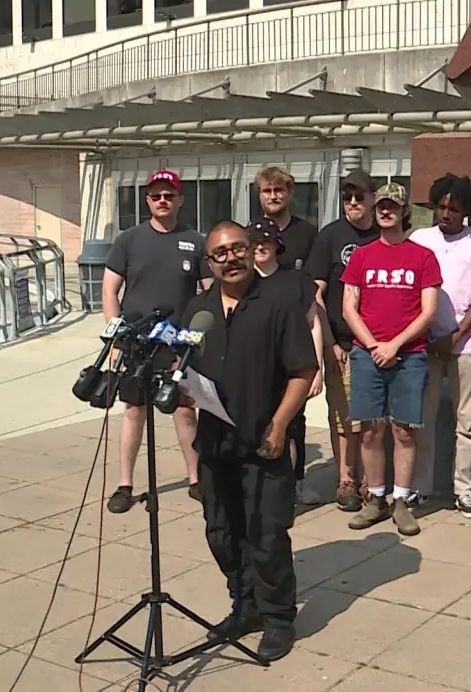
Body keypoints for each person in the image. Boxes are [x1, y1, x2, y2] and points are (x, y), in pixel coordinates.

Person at [188, 221, 318, 662]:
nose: (230, 259)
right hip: (215, 443)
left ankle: (278, 617)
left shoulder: (278, 304)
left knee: (266, 536)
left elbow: (304, 371)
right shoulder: (198, 309)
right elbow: (183, 365)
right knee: (222, 532)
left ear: (251, 251)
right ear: (210, 261)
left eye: (237, 249)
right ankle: (245, 607)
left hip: (266, 441)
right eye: (220, 253)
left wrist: (281, 425)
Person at [102, 170, 208, 513]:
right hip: (136, 343)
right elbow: (109, 289)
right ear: (147, 200)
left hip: (178, 345)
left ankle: (196, 479)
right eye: (155, 195)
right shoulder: (128, 240)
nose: (162, 200)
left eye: (169, 195)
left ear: (180, 199)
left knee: (184, 411)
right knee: (134, 410)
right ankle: (124, 485)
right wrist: (116, 335)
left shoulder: (196, 240)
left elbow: (209, 293)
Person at [341, 182, 442, 536]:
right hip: (367, 354)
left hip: (409, 355)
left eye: (393, 206)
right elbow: (349, 307)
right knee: (369, 431)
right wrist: (373, 346)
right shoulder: (362, 256)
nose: (386, 211)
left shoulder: (423, 257)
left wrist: (395, 344)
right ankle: (375, 498)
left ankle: (401, 500)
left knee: (404, 430)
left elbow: (429, 311)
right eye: (381, 206)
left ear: (404, 212)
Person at [408, 174, 471, 517]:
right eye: (442, 207)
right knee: (423, 419)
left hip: (466, 343)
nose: (446, 214)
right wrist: (428, 336)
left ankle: (465, 491)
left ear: (467, 210)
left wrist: (456, 336)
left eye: (454, 209)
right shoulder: (420, 238)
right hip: (425, 343)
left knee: (467, 423)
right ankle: (421, 487)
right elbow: (413, 293)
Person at [307, 169, 380, 512]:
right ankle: (347, 480)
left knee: (374, 419)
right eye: (347, 196)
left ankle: (372, 482)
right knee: (344, 417)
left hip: (380, 346)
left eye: (359, 196)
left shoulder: (385, 234)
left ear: (372, 198)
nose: (353, 202)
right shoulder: (330, 237)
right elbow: (315, 292)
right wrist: (329, 342)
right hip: (344, 344)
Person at [248, 217, 325, 505]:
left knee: (292, 426)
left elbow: (313, 323)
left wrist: (316, 370)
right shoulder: (240, 281)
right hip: (254, 369)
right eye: (254, 242)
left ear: (277, 245)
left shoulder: (296, 281)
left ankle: (294, 484)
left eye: (266, 241)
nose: (260, 247)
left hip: (292, 369)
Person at [255, 166, 320, 270]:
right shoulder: (250, 234)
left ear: (289, 193)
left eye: (278, 190)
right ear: (259, 195)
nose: (273, 197)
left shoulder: (308, 233)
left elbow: (317, 279)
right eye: (267, 191)